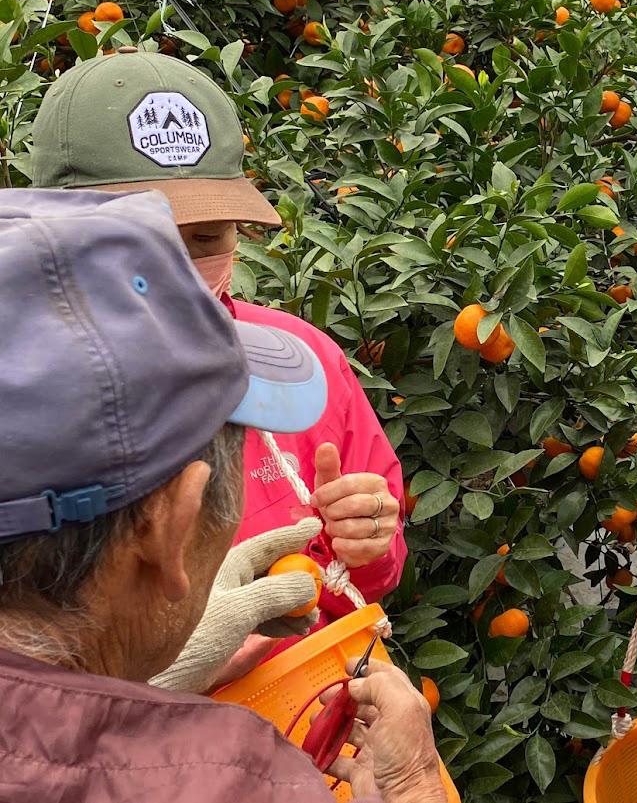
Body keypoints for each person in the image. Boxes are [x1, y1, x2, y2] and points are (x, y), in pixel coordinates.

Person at [0, 188, 443, 802]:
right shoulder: (239, 781)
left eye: (205, 237)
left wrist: (134, 672)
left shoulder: (309, 354)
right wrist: (413, 787)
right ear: (169, 526)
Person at [29, 49, 407, 661]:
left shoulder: (300, 362)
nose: (176, 271)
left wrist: (368, 542)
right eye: (142, 239)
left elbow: (366, 581)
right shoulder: (25, 391)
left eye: (206, 238)